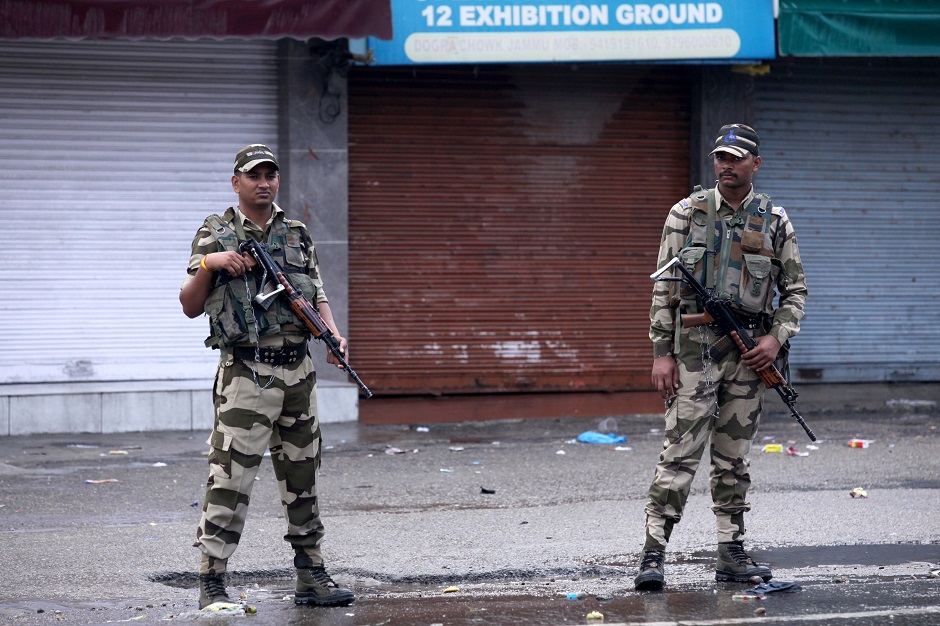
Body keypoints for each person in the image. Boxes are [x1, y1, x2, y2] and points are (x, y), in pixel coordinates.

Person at [179, 144, 355, 609]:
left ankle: (311, 574)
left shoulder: (296, 232)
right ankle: (212, 581)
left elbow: (315, 291)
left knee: (303, 476)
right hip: (247, 373)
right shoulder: (213, 233)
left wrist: (334, 338)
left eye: (270, 174)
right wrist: (210, 264)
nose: (264, 182)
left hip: (298, 370)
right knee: (230, 478)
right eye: (253, 175)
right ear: (235, 182)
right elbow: (190, 305)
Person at [635, 124, 808, 591]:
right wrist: (661, 354)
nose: (726, 165)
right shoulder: (685, 214)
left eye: (736, 158)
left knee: (733, 458)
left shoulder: (774, 220)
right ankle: (653, 554)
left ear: (756, 163)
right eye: (720, 158)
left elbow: (795, 292)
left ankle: (731, 552)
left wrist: (775, 337)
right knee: (679, 453)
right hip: (693, 352)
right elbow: (664, 288)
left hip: (749, 354)